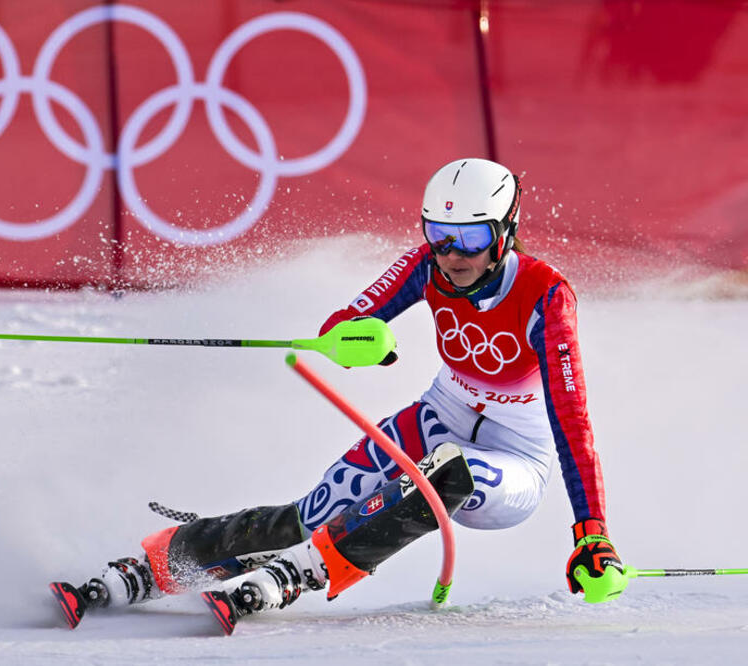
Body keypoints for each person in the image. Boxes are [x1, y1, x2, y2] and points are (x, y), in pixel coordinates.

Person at [50, 158, 628, 630]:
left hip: (514, 459)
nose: (453, 255)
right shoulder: (428, 266)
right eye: (438, 236)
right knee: (314, 511)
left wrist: (591, 532)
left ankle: (299, 573)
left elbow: (571, 420)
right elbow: (347, 320)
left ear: (504, 233)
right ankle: (154, 566)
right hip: (440, 415)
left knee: (449, 472)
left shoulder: (546, 296)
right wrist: (355, 339)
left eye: (472, 238)